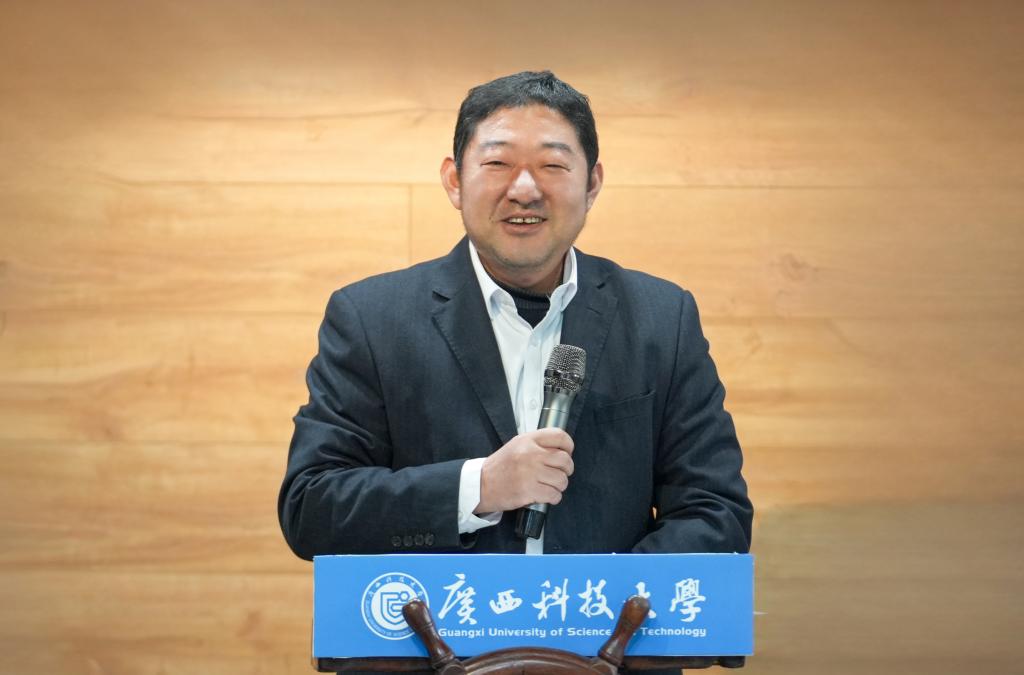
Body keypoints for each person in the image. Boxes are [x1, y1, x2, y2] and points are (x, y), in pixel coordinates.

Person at [279, 72, 751, 671]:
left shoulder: (662, 317)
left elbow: (715, 513)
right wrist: (479, 487)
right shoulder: (371, 318)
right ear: (454, 180)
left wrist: (590, 627)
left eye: (552, 165)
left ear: (593, 182)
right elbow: (313, 508)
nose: (524, 189)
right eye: (498, 164)